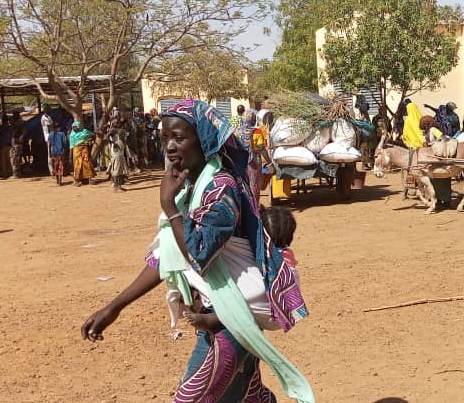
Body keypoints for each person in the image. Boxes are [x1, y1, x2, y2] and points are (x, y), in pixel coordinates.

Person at [81, 99, 312, 403]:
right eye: (165, 139)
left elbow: (198, 254)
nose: (170, 147)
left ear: (202, 138)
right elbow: (166, 255)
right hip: (217, 319)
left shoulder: (221, 189)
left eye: (179, 137)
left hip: (229, 326)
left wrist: (168, 207)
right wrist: (114, 307)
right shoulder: (191, 189)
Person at [185, 206, 301, 331]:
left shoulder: (260, 251)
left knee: (237, 304)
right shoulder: (286, 253)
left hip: (267, 303)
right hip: (284, 310)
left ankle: (209, 320)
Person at [105, 120, 129, 192]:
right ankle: (116, 187)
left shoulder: (121, 130)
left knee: (120, 169)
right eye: (115, 122)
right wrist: (113, 143)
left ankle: (119, 186)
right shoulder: (113, 130)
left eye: (117, 122)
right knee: (116, 169)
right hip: (116, 152)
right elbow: (106, 137)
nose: (117, 123)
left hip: (120, 151)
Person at [69, 121, 96, 186]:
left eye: (75, 127)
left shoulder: (85, 131)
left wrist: (90, 141)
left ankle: (90, 179)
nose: (74, 128)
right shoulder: (72, 134)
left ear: (78, 126)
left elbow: (92, 135)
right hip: (76, 150)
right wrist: (70, 155)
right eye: (73, 127)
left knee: (86, 162)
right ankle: (77, 180)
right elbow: (71, 145)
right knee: (77, 164)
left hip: (84, 148)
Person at [47, 121, 68, 186]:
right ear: (59, 127)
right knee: (60, 167)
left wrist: (50, 153)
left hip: (54, 153)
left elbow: (49, 144)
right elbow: (65, 143)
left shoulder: (50, 134)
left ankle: (57, 181)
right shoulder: (62, 134)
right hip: (61, 152)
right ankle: (60, 181)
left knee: (55, 166)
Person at [40, 104, 54, 174]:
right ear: (46, 109)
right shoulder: (45, 117)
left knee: (53, 152)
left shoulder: (48, 117)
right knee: (50, 153)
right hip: (49, 137)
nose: (50, 109)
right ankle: (51, 170)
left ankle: (54, 169)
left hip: (50, 136)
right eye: (49, 108)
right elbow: (49, 128)